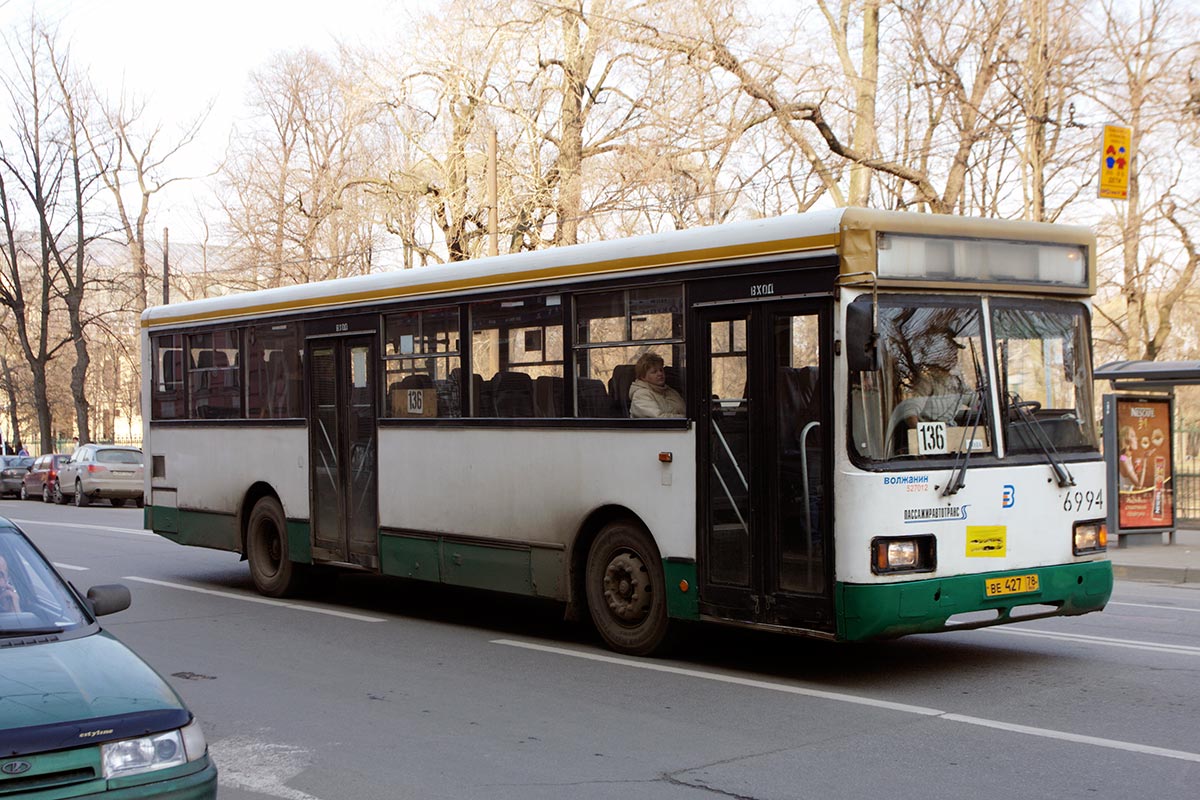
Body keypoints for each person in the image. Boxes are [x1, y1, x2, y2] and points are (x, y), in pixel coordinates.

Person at [629, 352, 685, 418]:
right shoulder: (640, 395)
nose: (660, 374)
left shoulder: (670, 391)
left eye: (661, 370)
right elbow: (658, 419)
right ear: (643, 377)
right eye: (654, 372)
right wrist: (684, 418)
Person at [1118, 424, 1144, 491]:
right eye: (1133, 436)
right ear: (1126, 440)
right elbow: (1139, 484)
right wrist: (1145, 460)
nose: (1136, 439)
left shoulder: (1127, 457)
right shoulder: (1123, 458)